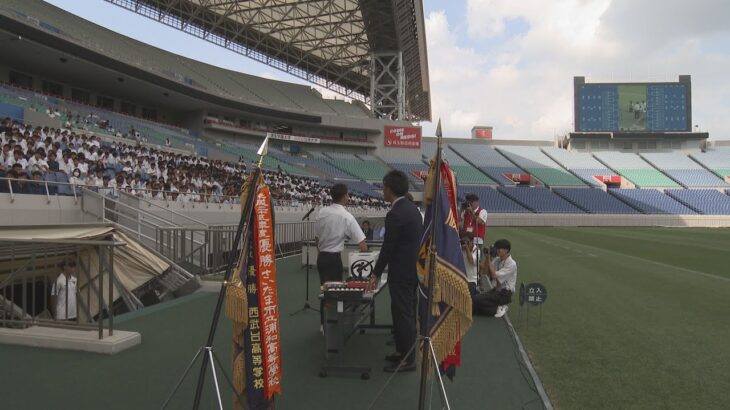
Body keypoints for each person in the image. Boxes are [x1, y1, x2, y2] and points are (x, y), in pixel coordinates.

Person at [370, 170, 423, 373]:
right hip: (412, 270)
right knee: (406, 312)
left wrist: (375, 273)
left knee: (403, 315)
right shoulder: (412, 210)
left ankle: (408, 359)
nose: (383, 191)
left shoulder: (395, 214)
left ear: (389, 189)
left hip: (401, 272)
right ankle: (403, 351)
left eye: (384, 188)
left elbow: (388, 248)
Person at [315, 183, 367, 328]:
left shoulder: (322, 212)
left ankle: (323, 324)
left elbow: (317, 238)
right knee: (336, 293)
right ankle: (333, 325)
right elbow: (362, 244)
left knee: (324, 290)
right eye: (348, 195)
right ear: (344, 196)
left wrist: (320, 253)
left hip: (322, 258)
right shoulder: (346, 216)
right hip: (334, 259)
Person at [473, 239, 517, 318]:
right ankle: (495, 308)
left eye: (499, 248)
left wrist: (490, 257)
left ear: (506, 250)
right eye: (497, 248)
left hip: (504, 294)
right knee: (475, 306)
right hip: (496, 290)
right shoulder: (497, 260)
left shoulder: (511, 264)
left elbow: (493, 275)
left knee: (476, 299)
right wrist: (487, 258)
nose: (497, 250)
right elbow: (485, 272)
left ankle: (500, 306)